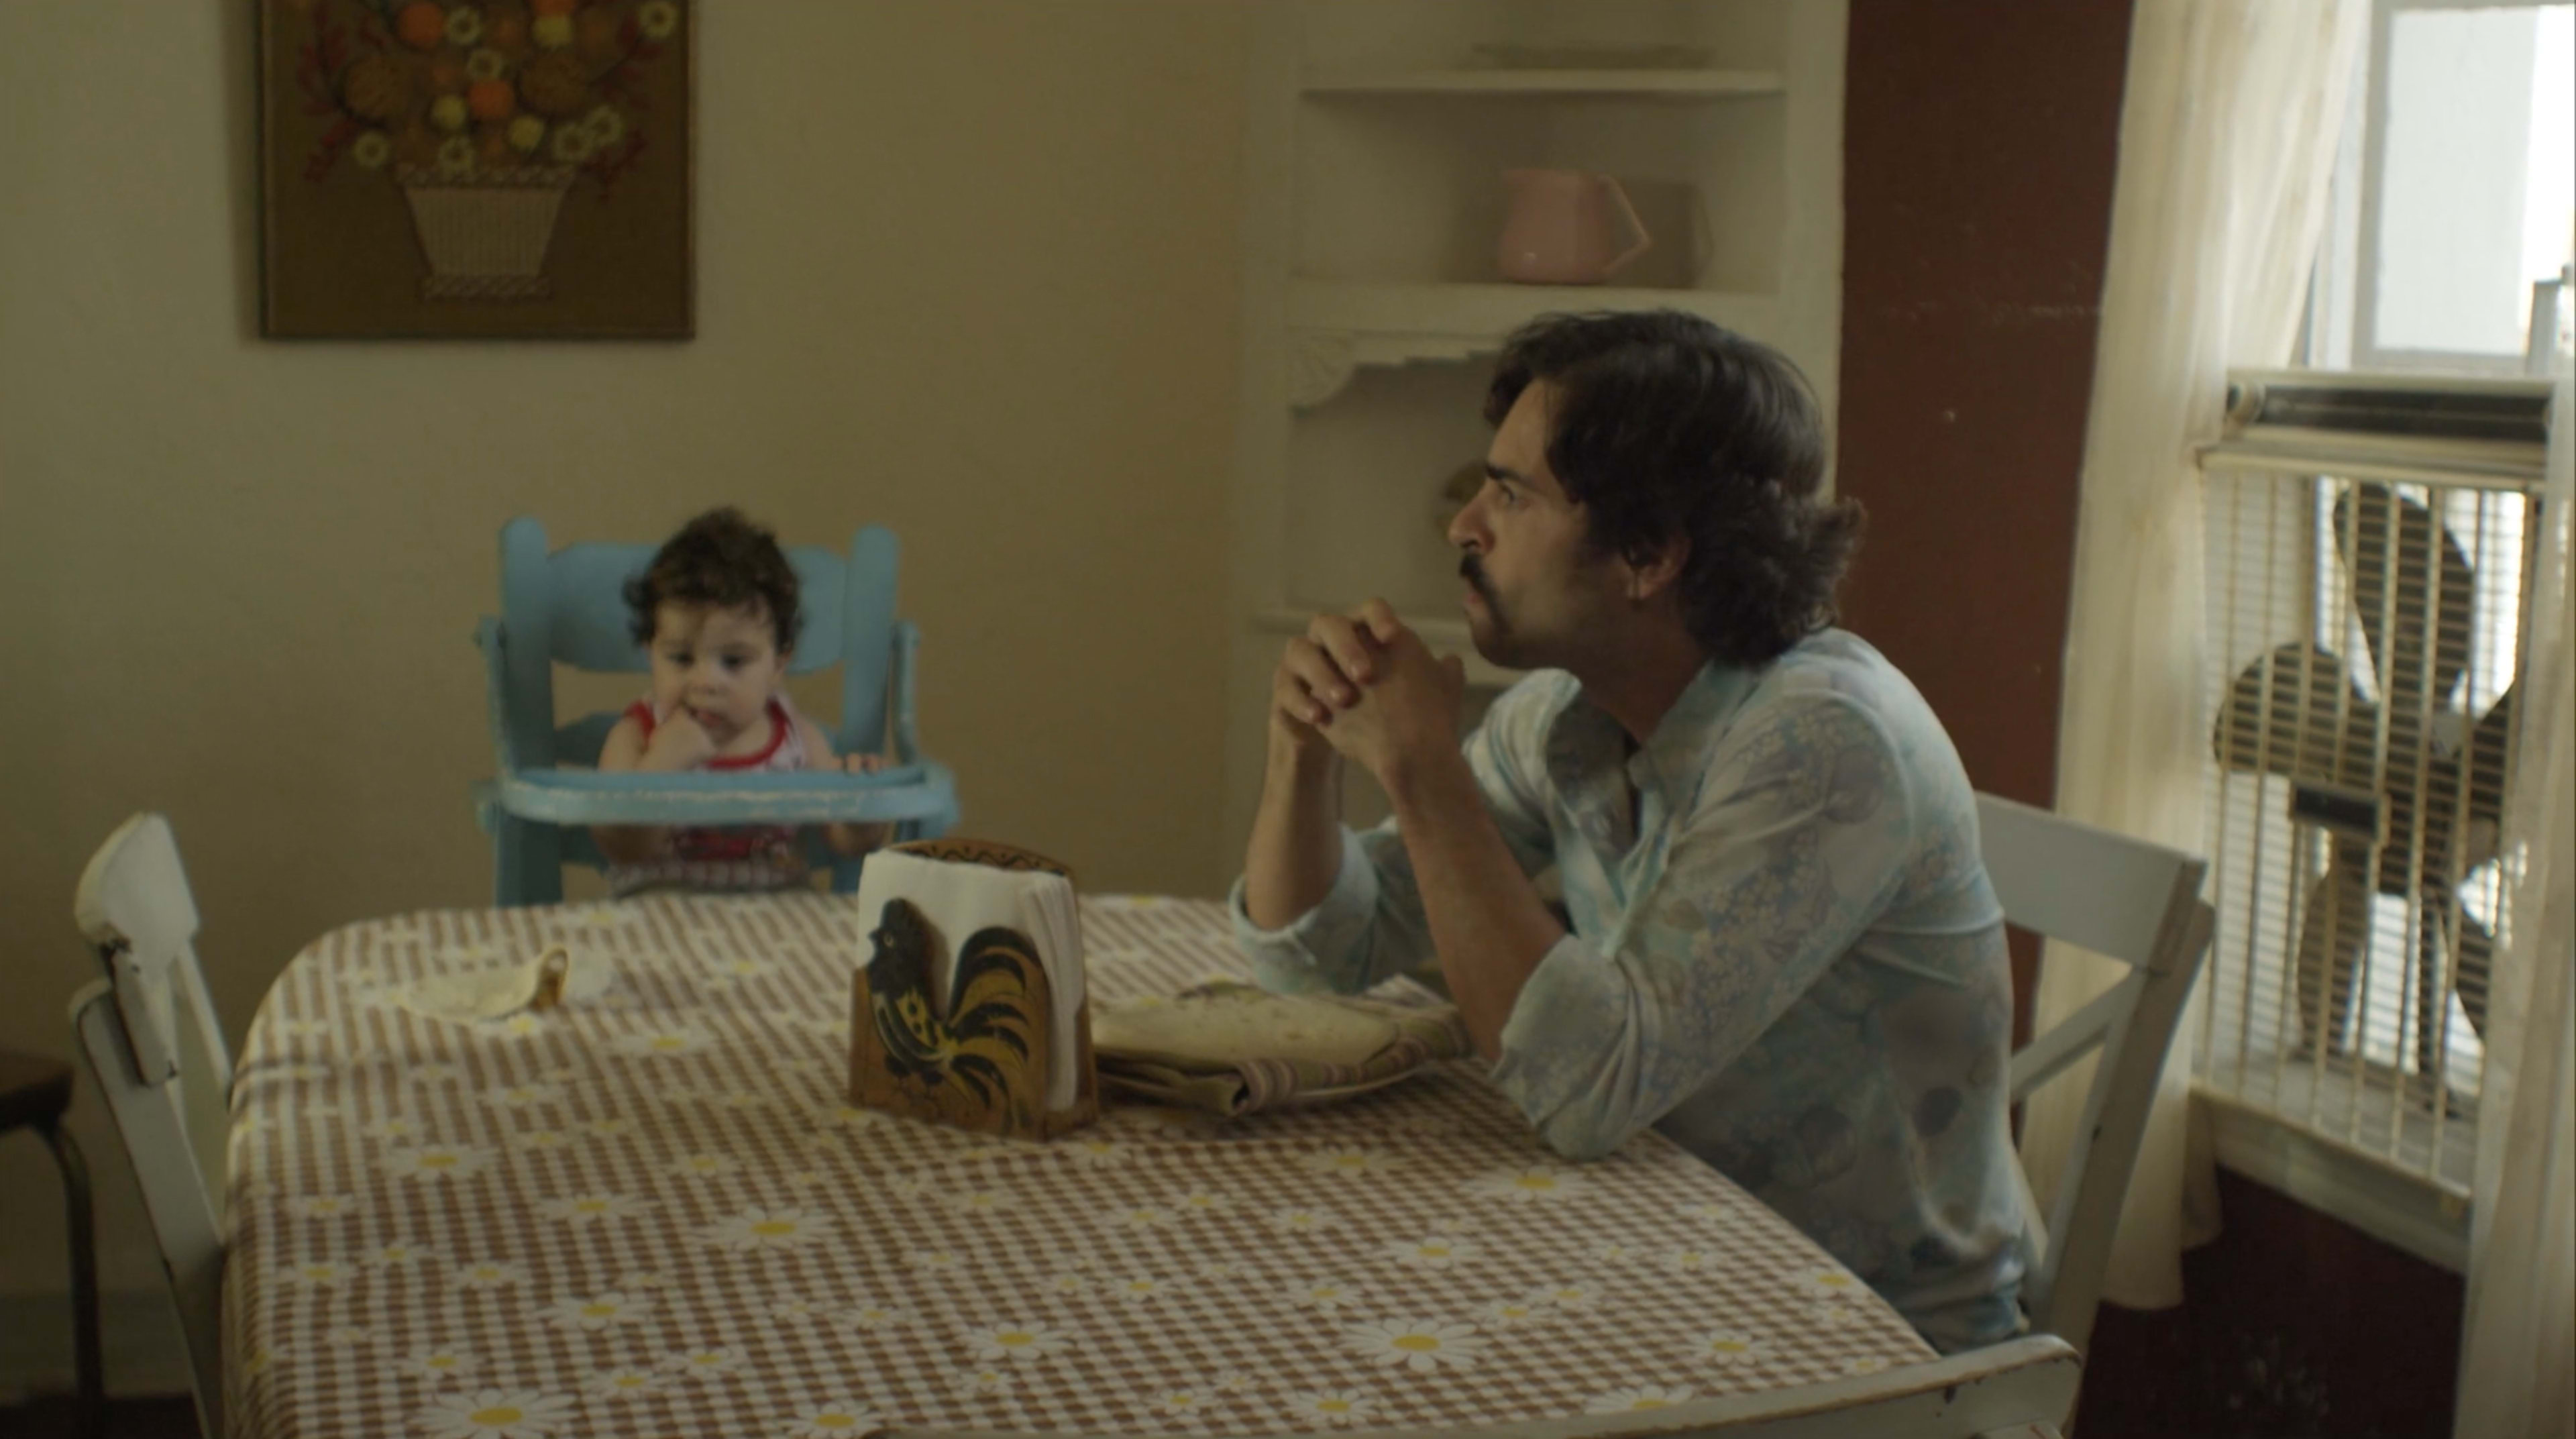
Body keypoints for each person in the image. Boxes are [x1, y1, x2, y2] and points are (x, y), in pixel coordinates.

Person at [1232, 311, 2032, 1352]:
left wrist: (1422, 770)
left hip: (1866, 1345)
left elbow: (1588, 1087)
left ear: (1648, 554)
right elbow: (1321, 955)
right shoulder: (1569, 719)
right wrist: (1301, 751)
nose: (1464, 525)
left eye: (1512, 494)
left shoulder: (1824, 746)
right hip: (1661, 1264)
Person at [594, 507, 886, 895]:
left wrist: (863, 815)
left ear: (778, 664)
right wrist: (660, 766)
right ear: (650, 653)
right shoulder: (637, 735)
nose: (705, 682)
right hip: (660, 911)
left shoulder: (795, 737)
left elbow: (846, 842)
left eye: (733, 661)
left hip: (777, 915)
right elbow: (623, 848)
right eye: (681, 658)